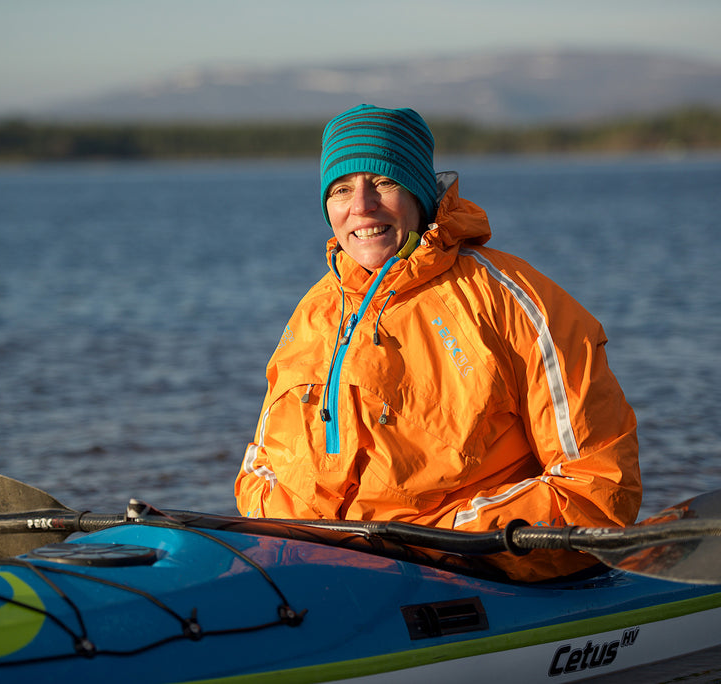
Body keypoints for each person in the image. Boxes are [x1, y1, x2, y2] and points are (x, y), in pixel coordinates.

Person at [235, 104, 641, 582]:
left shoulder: (512, 302)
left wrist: (429, 550)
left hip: (452, 575)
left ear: (420, 195)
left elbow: (595, 490)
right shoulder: (314, 312)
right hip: (312, 574)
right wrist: (283, 552)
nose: (361, 206)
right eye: (342, 189)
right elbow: (264, 469)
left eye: (383, 183)